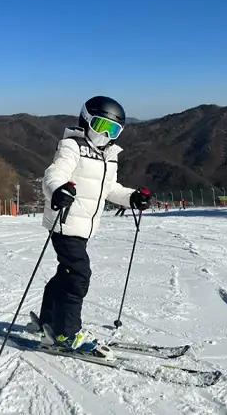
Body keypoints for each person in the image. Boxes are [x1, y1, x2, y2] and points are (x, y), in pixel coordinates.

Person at [29, 95, 151, 354]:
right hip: (65, 223)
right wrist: (58, 190)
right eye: (100, 126)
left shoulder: (109, 155)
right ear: (85, 120)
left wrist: (132, 198)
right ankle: (67, 334)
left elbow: (109, 189)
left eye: (113, 130)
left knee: (67, 272)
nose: (105, 135)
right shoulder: (72, 146)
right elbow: (53, 175)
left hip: (84, 227)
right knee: (79, 275)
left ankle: (49, 321)